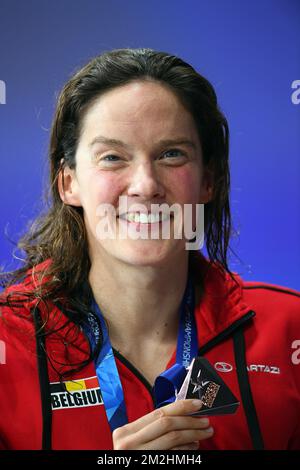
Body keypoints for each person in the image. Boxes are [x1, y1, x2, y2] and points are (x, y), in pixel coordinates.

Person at [0, 48, 299, 451]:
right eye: (112, 157)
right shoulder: (7, 340)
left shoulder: (289, 331)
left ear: (207, 180)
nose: (145, 184)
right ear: (68, 183)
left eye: (171, 154)